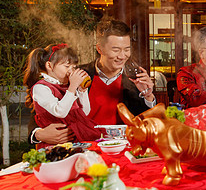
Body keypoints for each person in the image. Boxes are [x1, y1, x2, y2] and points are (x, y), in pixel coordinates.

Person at [28, 19, 156, 145]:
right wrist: (38, 134)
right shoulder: (76, 75)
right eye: (116, 50)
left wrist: (148, 96)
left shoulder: (135, 79)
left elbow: (147, 123)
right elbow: (43, 109)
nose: (122, 56)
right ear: (100, 49)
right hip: (84, 147)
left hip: (121, 147)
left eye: (127, 49)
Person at [23, 44, 104, 149]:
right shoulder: (41, 88)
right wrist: (73, 87)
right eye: (67, 66)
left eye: (74, 67)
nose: (71, 70)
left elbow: (84, 112)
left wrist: (82, 91)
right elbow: (60, 112)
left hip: (73, 141)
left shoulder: (67, 86)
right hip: (53, 145)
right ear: (50, 66)